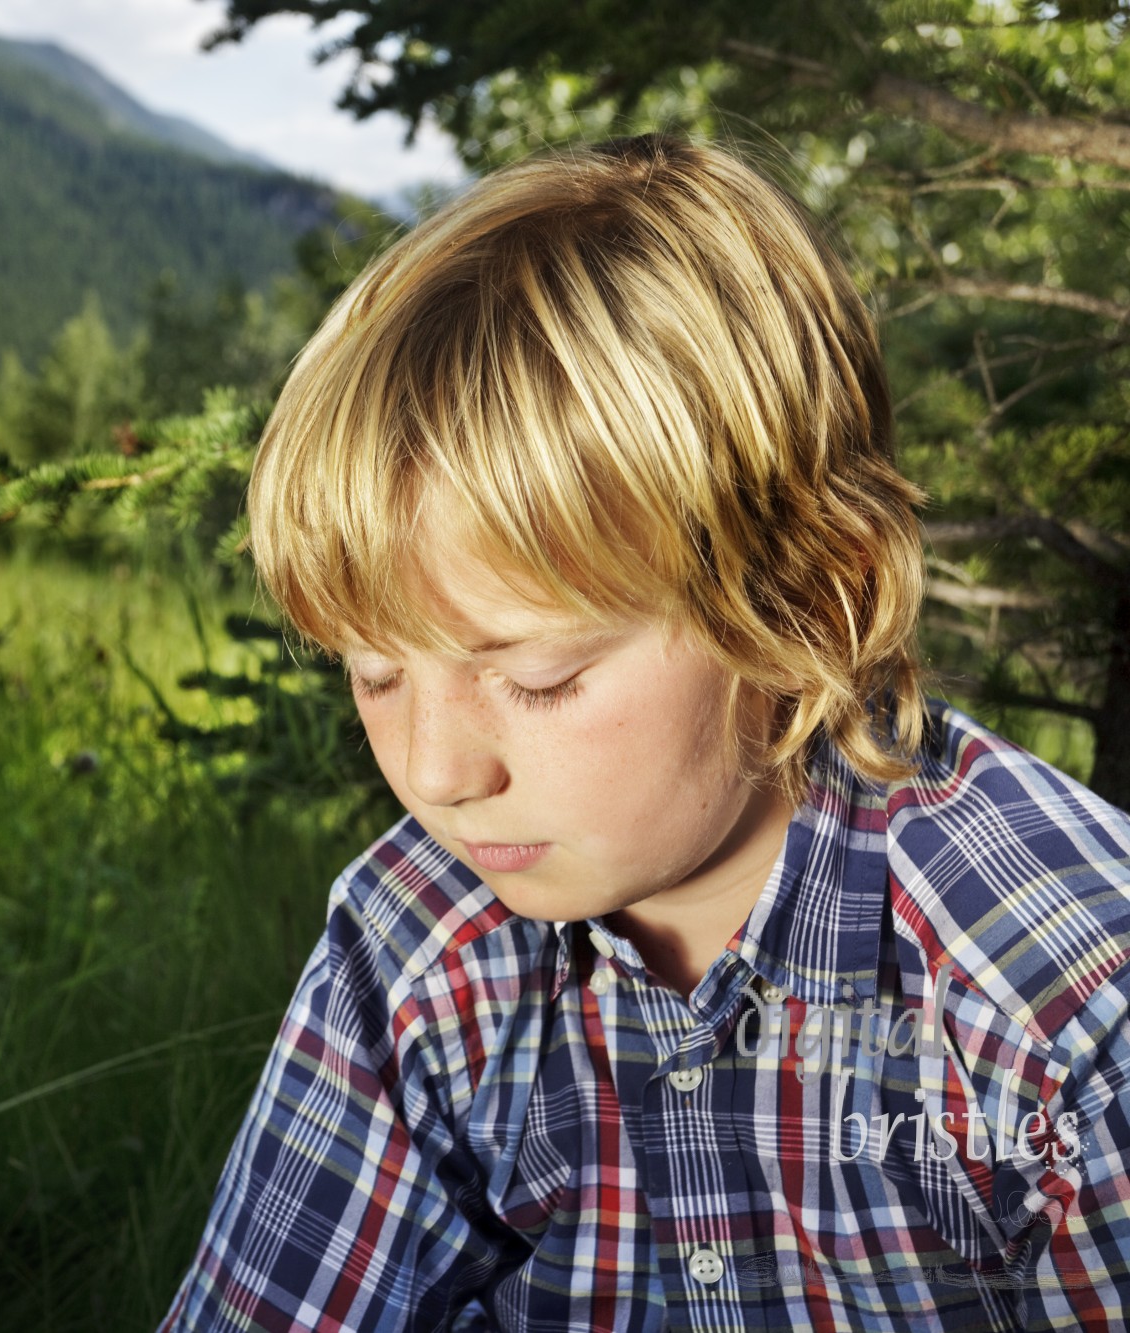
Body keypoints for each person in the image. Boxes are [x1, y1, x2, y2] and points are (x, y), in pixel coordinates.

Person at [158, 134, 1130, 1331]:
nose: (434, 772)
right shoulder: (415, 949)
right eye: (372, 675)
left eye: (541, 675)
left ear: (802, 599)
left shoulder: (1059, 1002)